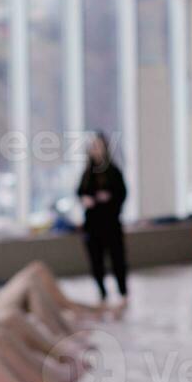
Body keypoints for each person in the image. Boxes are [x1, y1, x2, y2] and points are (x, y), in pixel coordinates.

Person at [77, 131, 129, 314]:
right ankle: (102, 294)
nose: (96, 150)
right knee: (96, 261)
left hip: (111, 223)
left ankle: (123, 293)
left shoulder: (113, 171)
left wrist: (108, 198)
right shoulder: (87, 173)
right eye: (93, 147)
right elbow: (80, 193)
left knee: (117, 260)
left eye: (99, 146)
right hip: (93, 226)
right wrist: (87, 200)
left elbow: (122, 194)